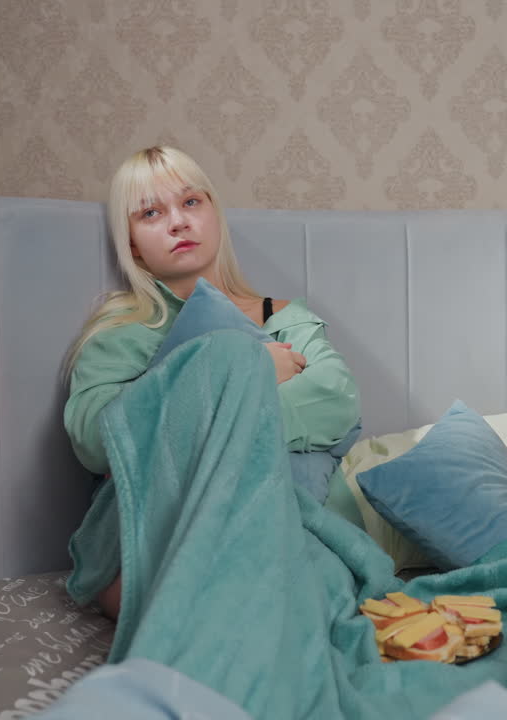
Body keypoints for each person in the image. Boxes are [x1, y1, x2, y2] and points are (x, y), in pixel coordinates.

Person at [63, 145, 361, 618]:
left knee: (312, 588)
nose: (177, 222)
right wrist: (254, 372)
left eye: (191, 203)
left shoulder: (286, 318)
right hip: (169, 528)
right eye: (151, 212)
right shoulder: (123, 331)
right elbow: (96, 438)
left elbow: (337, 403)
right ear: (133, 243)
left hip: (290, 518)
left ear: (215, 215)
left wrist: (190, 424)